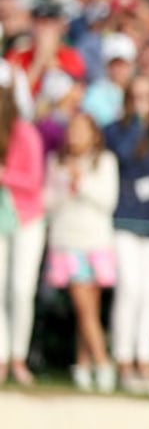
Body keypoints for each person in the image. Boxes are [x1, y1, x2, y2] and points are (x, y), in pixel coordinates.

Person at [104, 75, 149, 394]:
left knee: (148, 294)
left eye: (148, 96)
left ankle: (145, 358)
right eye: (137, 96)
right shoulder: (115, 130)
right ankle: (124, 358)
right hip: (124, 219)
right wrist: (137, 124)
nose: (142, 102)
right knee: (129, 290)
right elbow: (123, 156)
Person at [44, 112, 119, 391]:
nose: (75, 134)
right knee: (84, 307)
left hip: (96, 241)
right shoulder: (56, 161)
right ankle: (103, 362)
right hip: (67, 241)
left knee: (90, 309)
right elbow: (47, 201)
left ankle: (83, 366)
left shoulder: (105, 162)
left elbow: (107, 201)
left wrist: (82, 183)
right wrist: (67, 187)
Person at [0, 63, 47, 386]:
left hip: (28, 218)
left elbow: (33, 181)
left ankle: (19, 355)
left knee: (21, 289)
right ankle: (2, 356)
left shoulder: (26, 132)